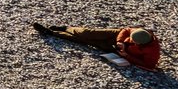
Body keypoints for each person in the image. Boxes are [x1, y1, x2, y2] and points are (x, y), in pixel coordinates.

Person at [31, 23, 162, 70]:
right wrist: (120, 42)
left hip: (120, 52)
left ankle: (52, 33)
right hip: (117, 39)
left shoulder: (152, 51)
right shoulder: (141, 32)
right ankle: (67, 28)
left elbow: (149, 65)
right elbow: (126, 30)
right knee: (89, 33)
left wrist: (126, 55)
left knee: (88, 42)